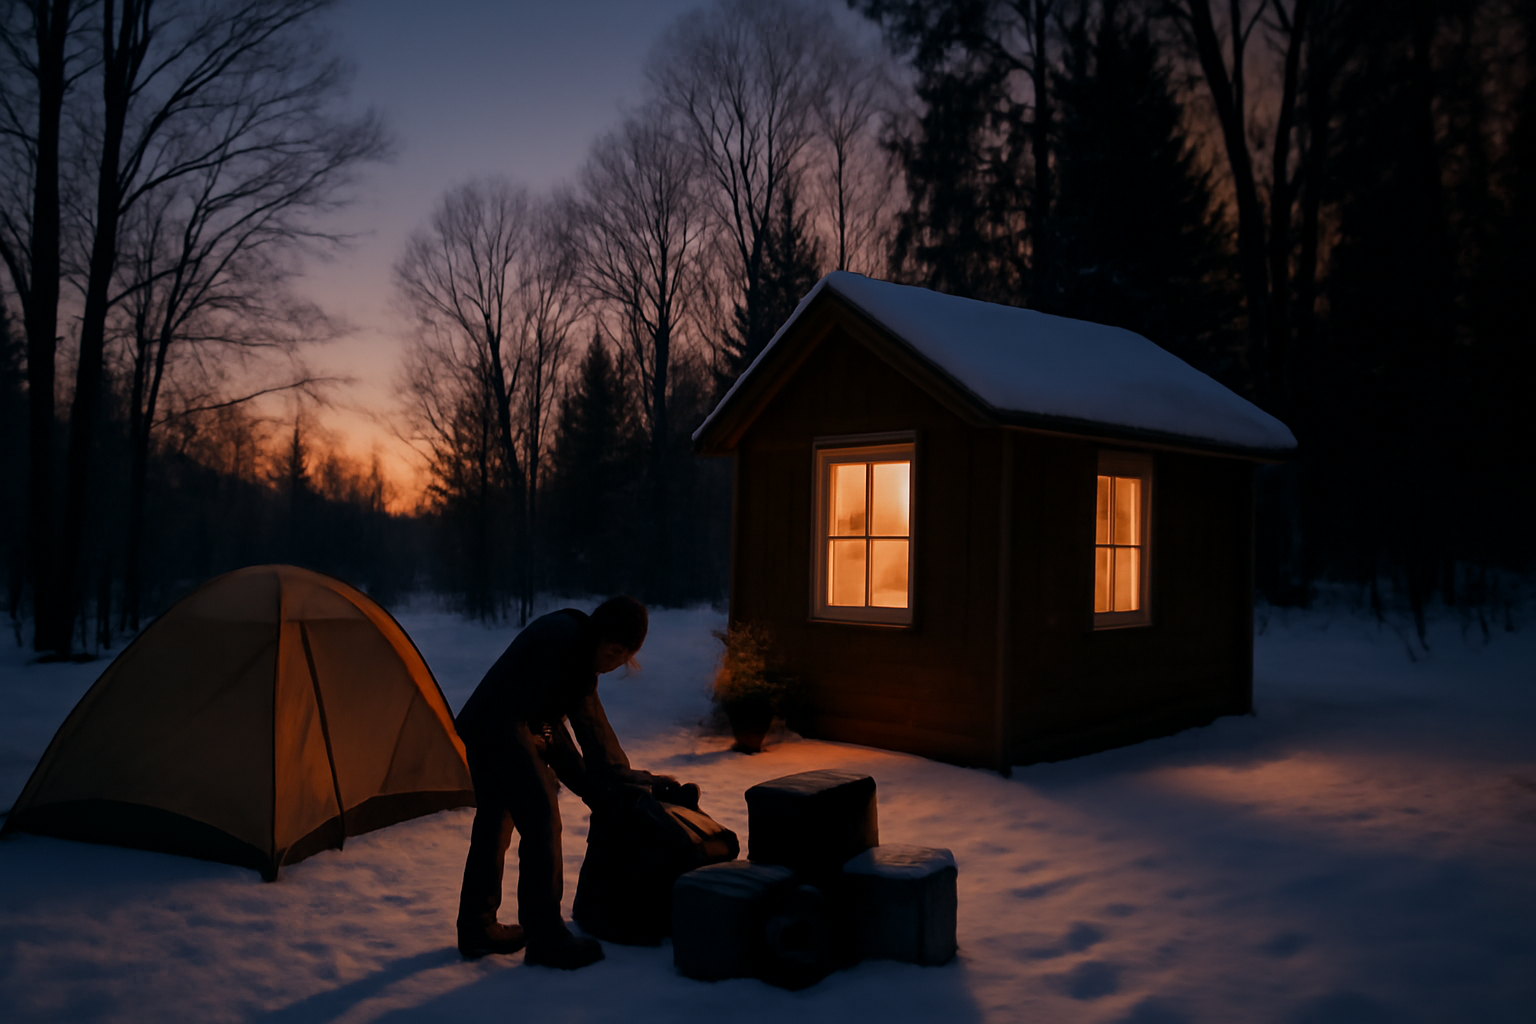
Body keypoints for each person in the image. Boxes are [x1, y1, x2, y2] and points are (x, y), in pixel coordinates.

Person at [453, 596, 676, 969]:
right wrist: (617, 781)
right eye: (614, 652)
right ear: (601, 635)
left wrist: (601, 790)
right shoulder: (570, 648)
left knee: (494, 822)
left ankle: (477, 927)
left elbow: (553, 729)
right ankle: (546, 937)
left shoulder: (571, 637)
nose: (613, 664)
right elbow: (588, 732)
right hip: (501, 728)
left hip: (486, 723)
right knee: (541, 821)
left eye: (624, 659)